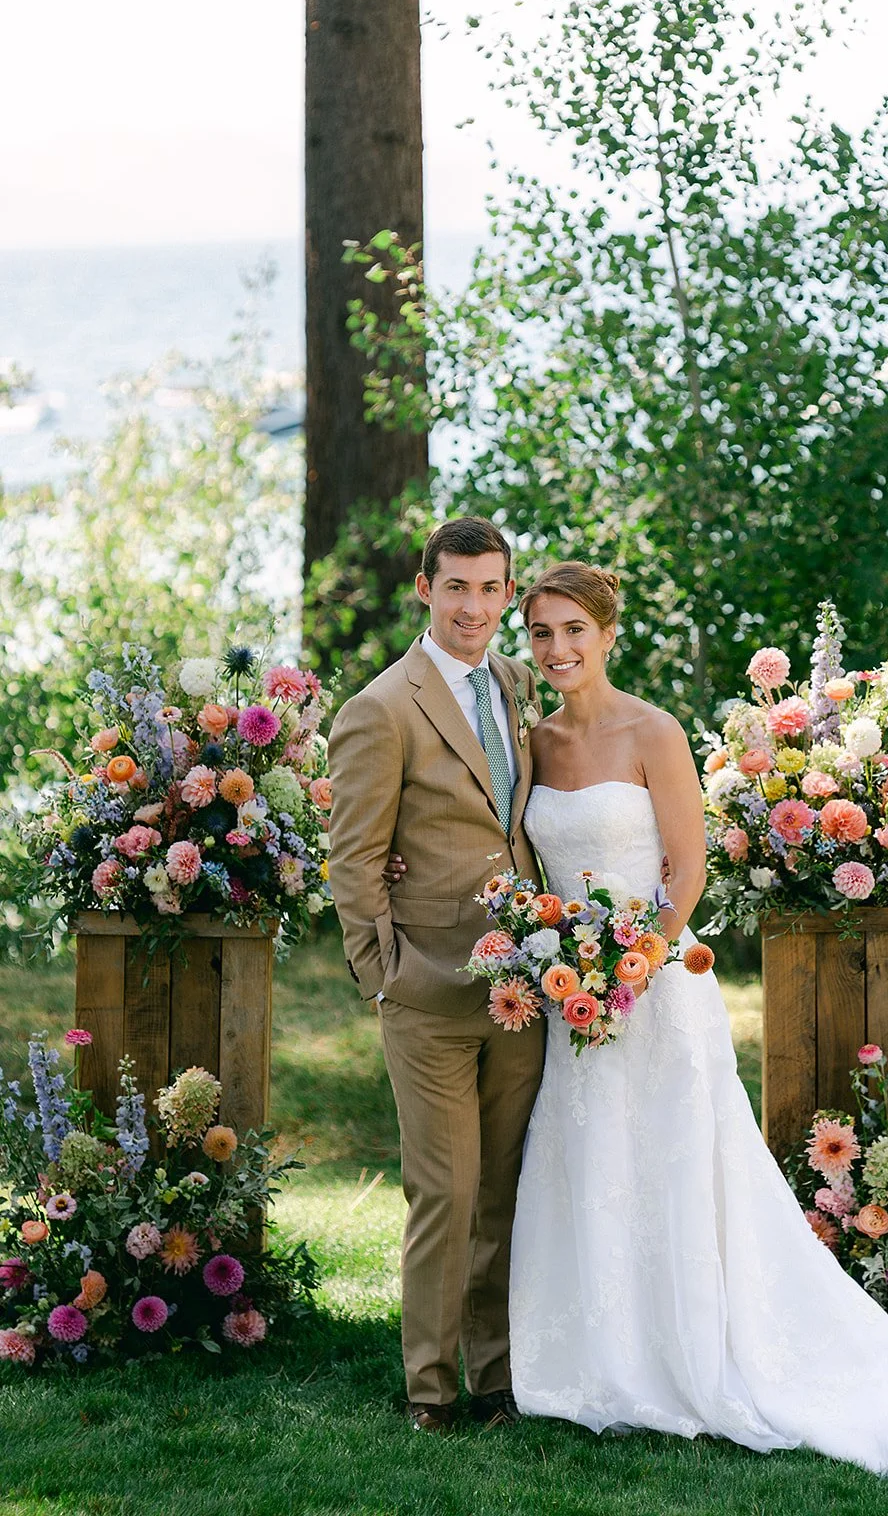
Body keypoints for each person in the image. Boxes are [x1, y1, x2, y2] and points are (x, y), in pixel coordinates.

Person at [504, 561, 888, 1477]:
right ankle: (601, 1360)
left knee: (677, 1171)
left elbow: (684, 871)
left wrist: (632, 966)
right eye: (541, 634)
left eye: (574, 630)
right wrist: (564, 962)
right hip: (575, 996)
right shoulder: (533, 743)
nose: (558, 649)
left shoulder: (653, 732)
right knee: (591, 1162)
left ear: (609, 634)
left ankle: (704, 1351)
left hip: (652, 990)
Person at [327, 516, 546, 1434]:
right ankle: (431, 1387)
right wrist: (384, 974)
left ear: (507, 593)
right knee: (443, 1193)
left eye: (490, 588)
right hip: (428, 991)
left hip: (525, 989)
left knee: (502, 1187)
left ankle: (495, 1379)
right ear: (425, 589)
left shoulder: (517, 683)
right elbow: (353, 859)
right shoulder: (381, 708)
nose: (473, 605)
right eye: (455, 586)